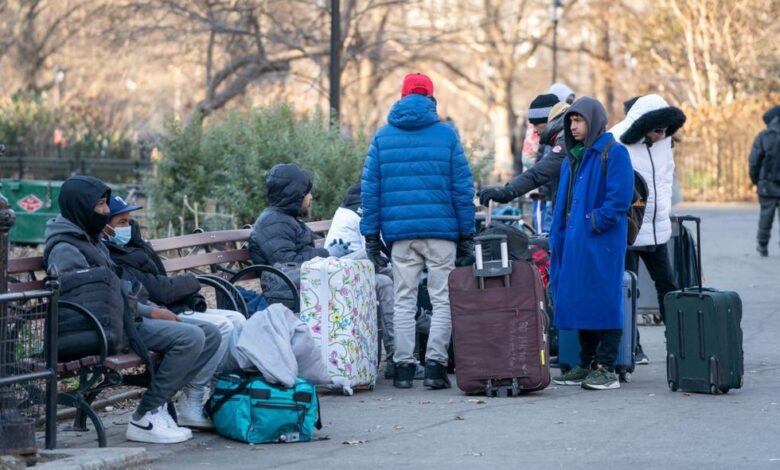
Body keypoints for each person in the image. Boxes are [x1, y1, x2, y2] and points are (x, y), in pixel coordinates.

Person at [43, 176, 221, 444]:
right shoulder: (66, 247)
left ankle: (158, 405)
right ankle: (145, 416)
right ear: (81, 206)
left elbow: (115, 291)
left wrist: (150, 310)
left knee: (210, 333)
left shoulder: (90, 239)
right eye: (101, 205)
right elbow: (85, 302)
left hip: (119, 320)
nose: (105, 211)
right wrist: (148, 313)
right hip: (97, 329)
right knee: (191, 337)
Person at [360, 72, 476, 390]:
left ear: (402, 97)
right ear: (430, 99)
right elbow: (462, 189)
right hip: (441, 233)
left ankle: (403, 369)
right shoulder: (447, 135)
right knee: (442, 299)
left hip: (401, 236)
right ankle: (436, 367)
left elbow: (371, 190)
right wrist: (467, 233)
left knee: (403, 299)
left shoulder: (383, 137)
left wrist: (371, 235)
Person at [103, 195, 245, 429]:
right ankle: (192, 395)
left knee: (237, 318)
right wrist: (191, 281)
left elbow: (159, 285)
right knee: (221, 327)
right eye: (121, 222)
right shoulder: (115, 254)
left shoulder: (135, 246)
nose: (128, 227)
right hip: (151, 311)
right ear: (105, 226)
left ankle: (217, 394)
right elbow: (157, 289)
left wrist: (185, 289)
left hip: (162, 307)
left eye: (129, 221)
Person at [547, 97, 634, 391]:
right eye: (571, 121)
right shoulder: (574, 156)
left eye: (579, 120)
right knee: (580, 298)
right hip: (574, 239)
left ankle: (607, 367)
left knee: (605, 299)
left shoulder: (614, 152)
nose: (573, 126)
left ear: (593, 121)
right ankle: (586, 363)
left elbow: (619, 200)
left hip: (600, 240)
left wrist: (593, 222)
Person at [610, 94, 687, 364]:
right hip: (630, 228)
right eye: (657, 129)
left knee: (667, 284)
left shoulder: (663, 142)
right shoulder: (616, 139)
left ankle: (678, 342)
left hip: (656, 227)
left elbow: (666, 178)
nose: (662, 134)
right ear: (643, 125)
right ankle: (633, 346)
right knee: (629, 288)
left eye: (666, 130)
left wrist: (663, 210)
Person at [324, 183, 403, 379]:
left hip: (347, 269)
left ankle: (400, 355)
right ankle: (397, 357)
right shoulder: (360, 213)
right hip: (342, 273)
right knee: (395, 279)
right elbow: (373, 250)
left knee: (396, 278)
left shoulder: (352, 207)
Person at [480, 100, 570, 224]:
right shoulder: (560, 139)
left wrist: (508, 191)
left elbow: (539, 172)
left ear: (550, 121)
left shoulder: (566, 141)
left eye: (536, 124)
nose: (534, 131)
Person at [248, 163, 351, 267]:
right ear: (295, 195)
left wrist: (328, 251)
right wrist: (327, 253)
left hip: (304, 278)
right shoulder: (273, 223)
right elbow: (287, 263)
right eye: (307, 192)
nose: (311, 197)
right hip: (287, 281)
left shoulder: (285, 219)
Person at [749, 105, 780, 257]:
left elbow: (754, 161)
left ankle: (762, 245)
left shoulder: (764, 136)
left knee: (766, 216)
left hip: (767, 184)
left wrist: (756, 181)